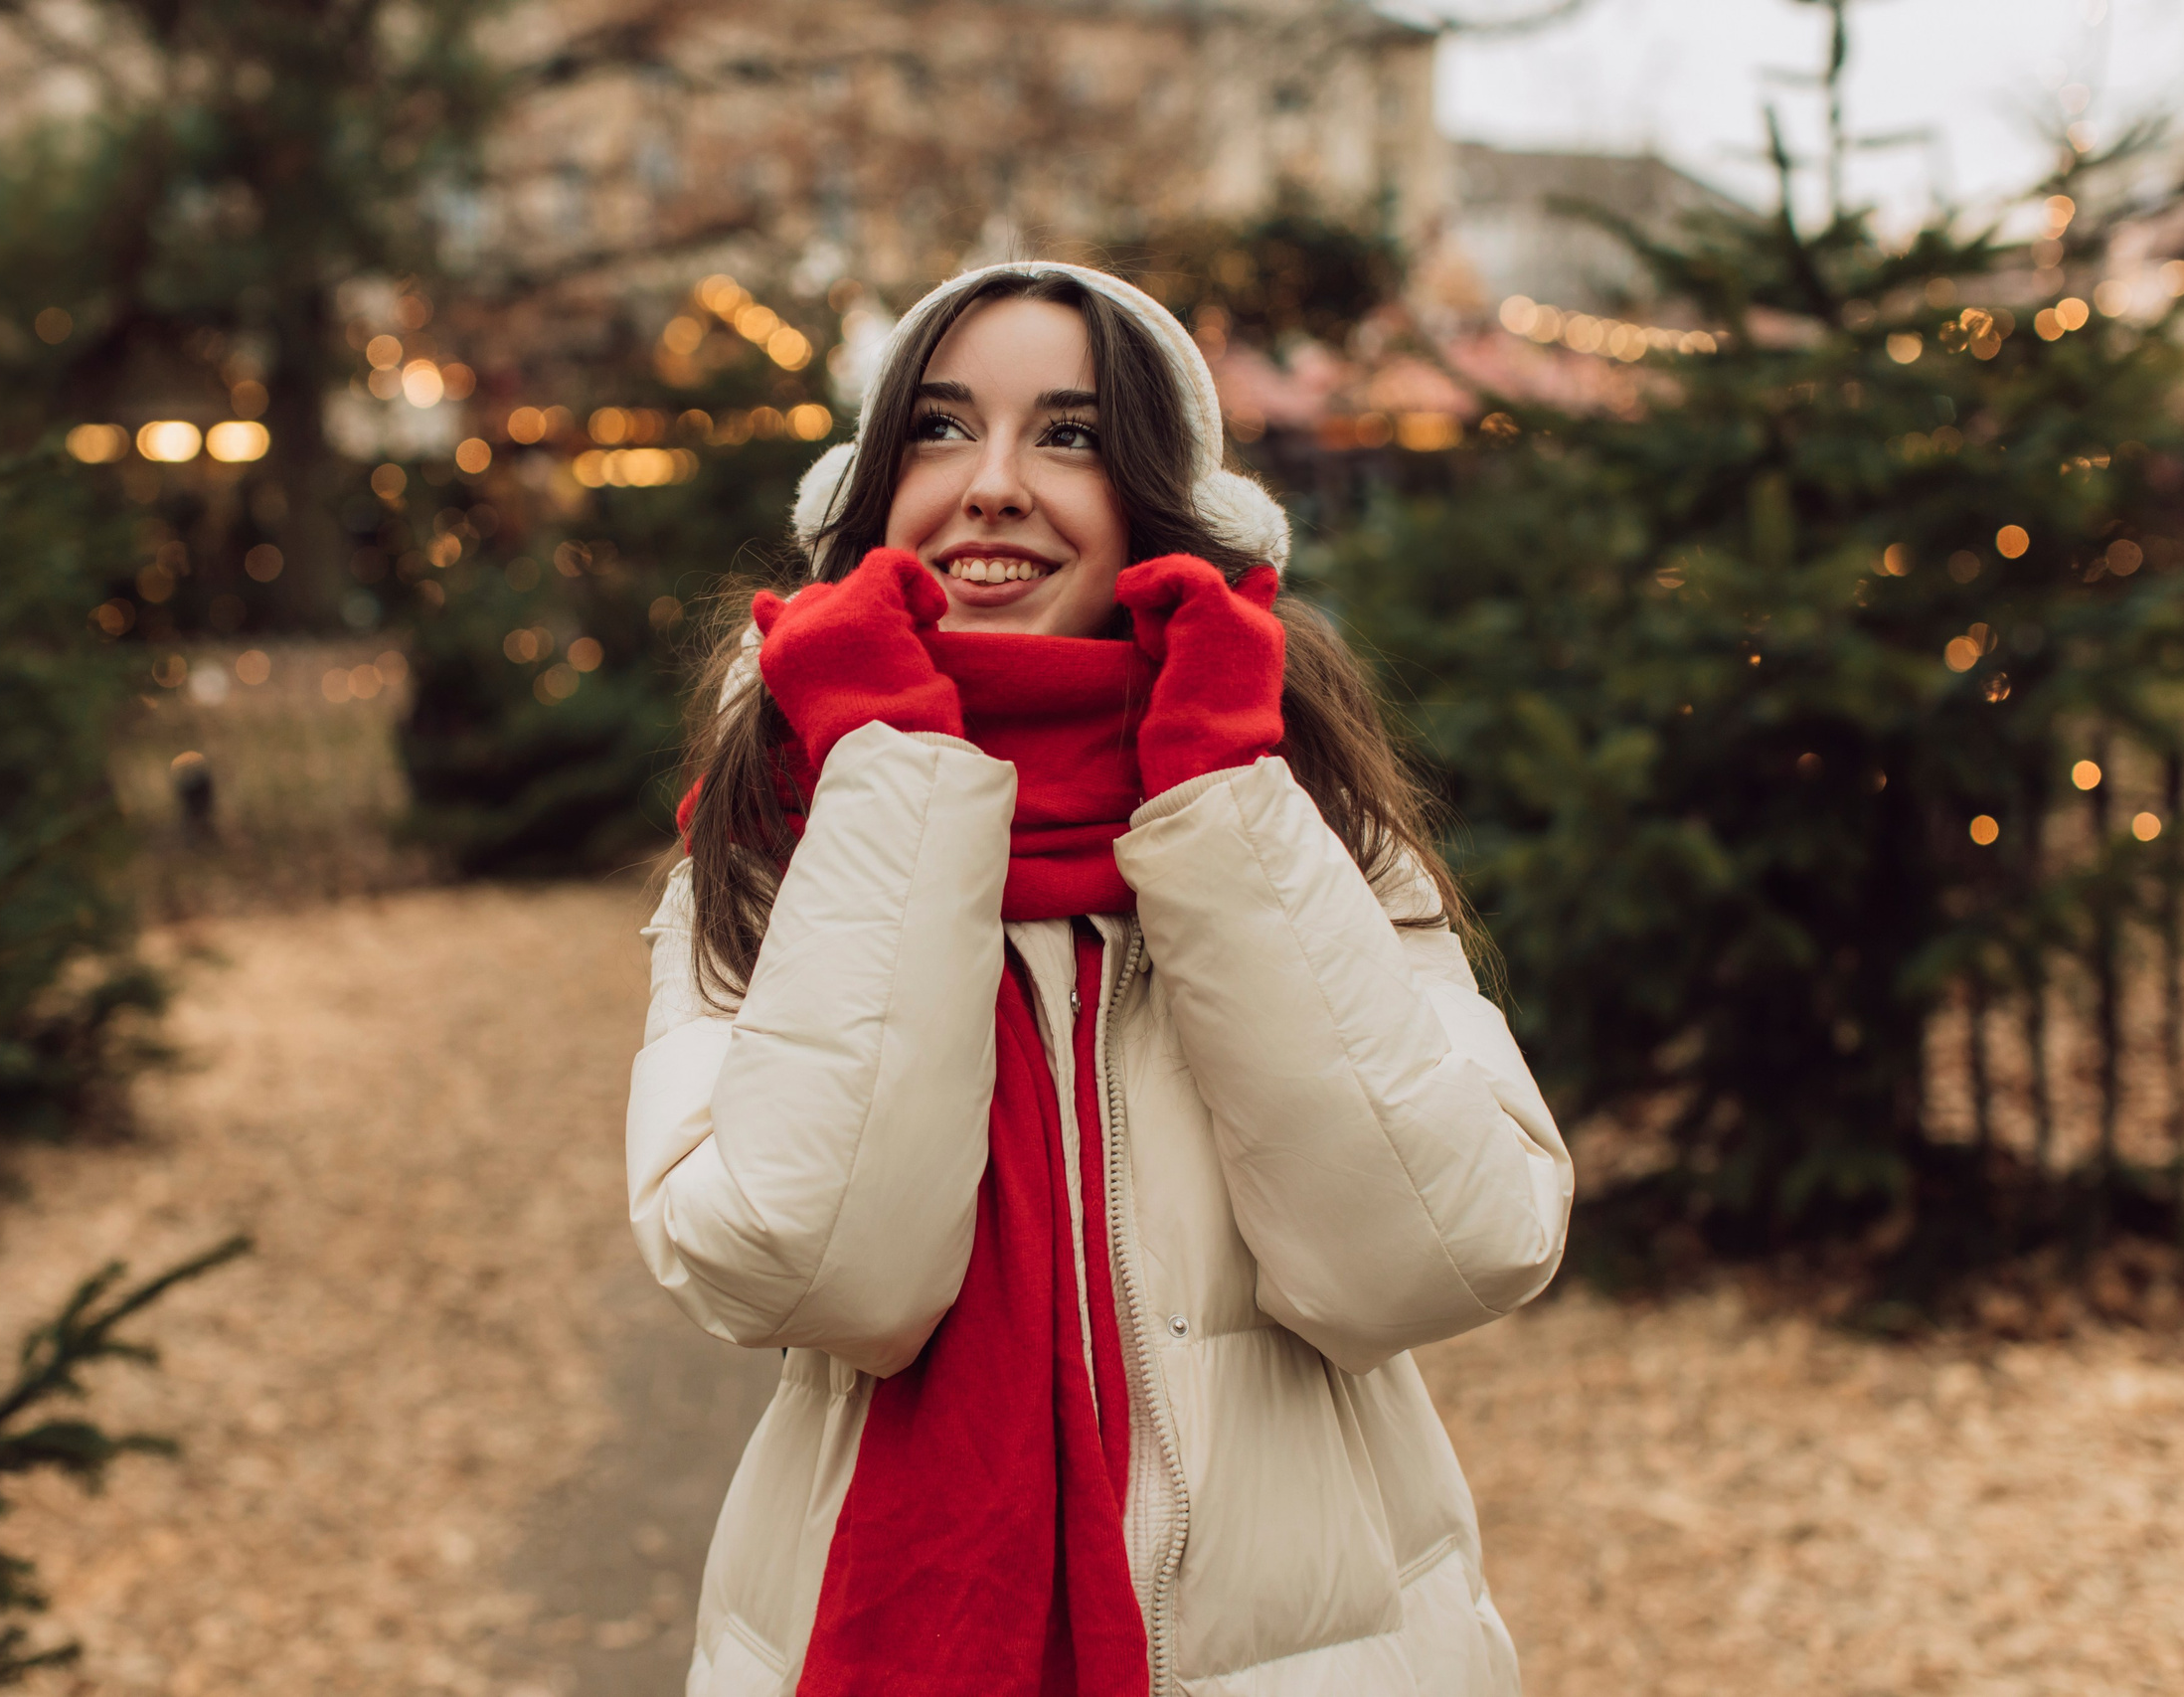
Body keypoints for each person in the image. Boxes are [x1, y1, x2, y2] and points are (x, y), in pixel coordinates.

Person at [625, 260, 1573, 1697]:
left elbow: (1441, 1253)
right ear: (872, 497)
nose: (993, 483)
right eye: (940, 430)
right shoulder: (772, 845)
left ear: (1156, 503)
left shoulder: (1295, 815)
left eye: (1067, 434)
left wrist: (1222, 807)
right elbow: (822, 1272)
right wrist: (898, 777)